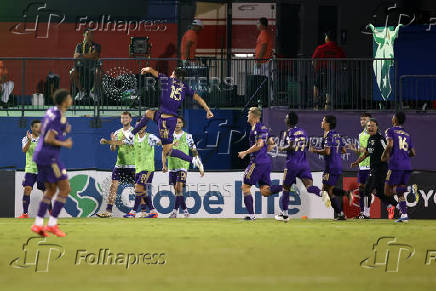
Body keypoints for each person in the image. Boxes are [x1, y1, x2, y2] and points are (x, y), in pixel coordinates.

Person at [128, 66, 213, 177]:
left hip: (166, 121)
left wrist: (148, 69)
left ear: (173, 73)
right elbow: (197, 98)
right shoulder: (185, 87)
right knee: (149, 113)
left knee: (168, 151)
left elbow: (154, 72)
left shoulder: (167, 79)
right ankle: (131, 134)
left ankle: (194, 160)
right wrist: (208, 109)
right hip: (164, 116)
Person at [31, 89, 73, 237]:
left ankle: (37, 224)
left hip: (40, 155)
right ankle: (52, 224)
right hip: (50, 157)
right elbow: (49, 138)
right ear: (64, 101)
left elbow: (43, 129)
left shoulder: (50, 111)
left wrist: (62, 129)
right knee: (65, 188)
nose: (71, 99)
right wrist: (65, 142)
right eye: (69, 97)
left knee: (50, 190)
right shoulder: (58, 115)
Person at [100, 121, 161, 219]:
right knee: (142, 190)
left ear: (145, 127)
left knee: (138, 188)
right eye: (137, 126)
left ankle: (133, 212)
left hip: (148, 168)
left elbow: (160, 142)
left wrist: (167, 142)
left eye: (141, 126)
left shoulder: (150, 137)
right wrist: (107, 142)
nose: (139, 127)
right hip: (138, 168)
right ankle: (153, 211)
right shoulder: (133, 138)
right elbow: (120, 142)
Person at [275, 111, 327, 222]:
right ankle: (321, 193)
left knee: (285, 188)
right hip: (304, 163)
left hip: (292, 164)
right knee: (309, 186)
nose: (285, 119)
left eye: (286, 117)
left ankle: (284, 215)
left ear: (289, 120)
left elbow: (292, 146)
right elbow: (308, 145)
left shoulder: (289, 132)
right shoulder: (303, 131)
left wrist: (282, 148)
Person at [237, 107, 283, 220]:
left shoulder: (258, 128)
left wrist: (245, 152)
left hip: (257, 162)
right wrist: (264, 150)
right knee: (265, 191)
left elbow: (259, 145)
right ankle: (285, 187)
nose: (247, 116)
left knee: (245, 187)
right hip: (265, 162)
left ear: (253, 116)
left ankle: (252, 216)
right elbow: (270, 144)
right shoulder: (262, 128)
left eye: (248, 114)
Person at [351, 118, 399, 219]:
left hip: (380, 168)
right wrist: (357, 161)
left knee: (367, 189)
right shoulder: (370, 139)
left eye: (372, 126)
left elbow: (388, 148)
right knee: (380, 193)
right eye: (368, 126)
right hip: (374, 168)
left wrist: (386, 158)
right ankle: (400, 207)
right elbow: (367, 153)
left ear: (377, 127)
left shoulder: (380, 138)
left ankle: (366, 214)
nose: (370, 127)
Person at [309, 115, 352, 220]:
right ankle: (345, 195)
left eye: (323, 120)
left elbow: (327, 151)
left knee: (327, 191)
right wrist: (335, 153)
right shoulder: (337, 135)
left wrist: (314, 150)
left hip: (330, 166)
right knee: (328, 189)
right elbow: (344, 150)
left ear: (328, 124)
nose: (322, 122)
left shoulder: (328, 136)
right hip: (337, 165)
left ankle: (340, 213)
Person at [97, 112, 136, 218]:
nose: (124, 119)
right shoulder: (117, 132)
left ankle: (142, 210)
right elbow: (113, 149)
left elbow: (123, 143)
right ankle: (108, 211)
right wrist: (113, 142)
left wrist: (107, 141)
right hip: (119, 165)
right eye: (122, 118)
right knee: (113, 187)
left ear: (130, 119)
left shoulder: (134, 132)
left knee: (138, 189)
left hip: (133, 165)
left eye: (126, 117)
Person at [381, 112, 416, 223]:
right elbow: (413, 153)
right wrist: (404, 156)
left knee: (387, 191)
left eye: (392, 117)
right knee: (399, 193)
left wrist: (384, 155)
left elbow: (390, 145)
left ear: (395, 119)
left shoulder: (390, 130)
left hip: (396, 165)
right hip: (407, 165)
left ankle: (409, 189)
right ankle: (404, 214)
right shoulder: (407, 134)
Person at [168, 116, 198, 218]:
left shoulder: (187, 136)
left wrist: (196, 159)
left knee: (178, 187)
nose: (177, 124)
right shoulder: (169, 136)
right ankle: (185, 211)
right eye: (176, 122)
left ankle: (174, 212)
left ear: (182, 124)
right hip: (172, 166)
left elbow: (193, 148)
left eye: (179, 122)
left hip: (183, 166)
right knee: (177, 191)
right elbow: (164, 151)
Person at [19, 120, 49, 218]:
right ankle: (25, 214)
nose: (38, 129)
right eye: (36, 127)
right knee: (27, 189)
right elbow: (24, 150)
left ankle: (52, 214)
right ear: (32, 128)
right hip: (30, 170)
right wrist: (29, 140)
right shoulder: (25, 138)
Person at [312, 31, 345, 110]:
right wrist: (339, 69)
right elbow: (343, 61)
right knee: (329, 89)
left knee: (316, 86)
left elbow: (314, 60)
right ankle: (327, 106)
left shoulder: (321, 48)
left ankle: (315, 105)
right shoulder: (338, 49)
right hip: (333, 71)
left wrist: (316, 69)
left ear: (327, 38)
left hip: (322, 70)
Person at [348, 112, 371, 216]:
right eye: (361, 119)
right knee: (361, 188)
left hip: (371, 165)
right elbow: (361, 151)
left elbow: (371, 149)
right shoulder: (361, 135)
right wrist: (355, 150)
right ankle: (363, 212)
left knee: (371, 190)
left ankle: (368, 212)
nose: (362, 121)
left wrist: (363, 149)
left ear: (369, 120)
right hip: (362, 165)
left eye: (364, 119)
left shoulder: (373, 133)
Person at [70, 28, 101, 101]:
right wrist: (90, 55)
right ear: (84, 35)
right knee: (72, 72)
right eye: (88, 34)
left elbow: (95, 55)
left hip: (92, 67)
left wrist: (80, 55)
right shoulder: (79, 45)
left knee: (99, 73)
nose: (90, 35)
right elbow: (75, 56)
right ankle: (81, 91)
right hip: (81, 67)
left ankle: (92, 91)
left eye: (91, 34)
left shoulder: (96, 45)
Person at [254, 17, 273, 100]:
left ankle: (265, 98)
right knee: (264, 80)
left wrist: (259, 60)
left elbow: (264, 47)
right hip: (263, 61)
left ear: (262, 25)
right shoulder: (263, 33)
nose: (256, 25)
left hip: (263, 62)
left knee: (260, 80)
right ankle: (266, 98)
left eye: (258, 23)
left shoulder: (264, 33)